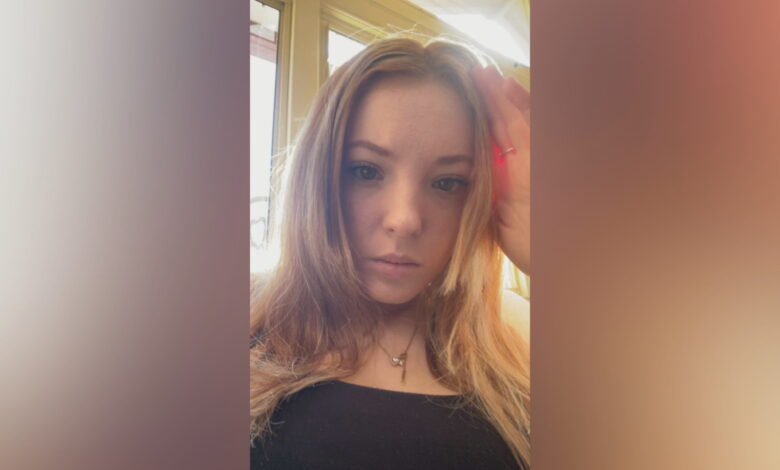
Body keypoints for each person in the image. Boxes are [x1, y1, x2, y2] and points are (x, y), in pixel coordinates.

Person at [250, 35, 531, 469]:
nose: (405, 220)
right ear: (317, 176)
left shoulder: (521, 350)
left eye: (448, 183)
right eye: (366, 171)